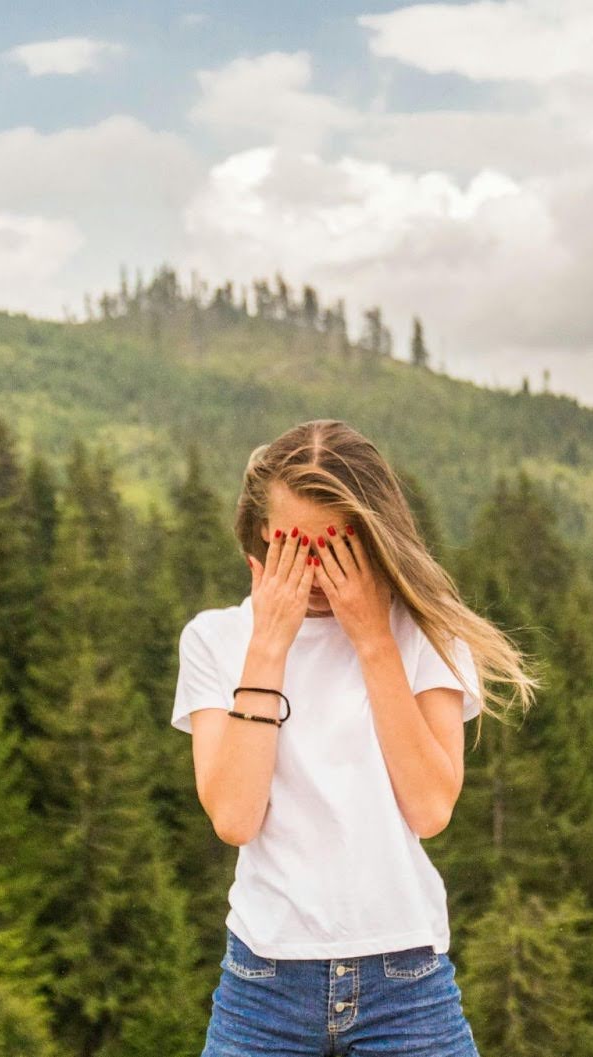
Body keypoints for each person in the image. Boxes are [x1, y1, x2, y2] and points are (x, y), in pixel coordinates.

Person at [171, 419, 536, 1056]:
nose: (313, 572)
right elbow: (233, 817)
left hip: (408, 986)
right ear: (260, 534)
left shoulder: (427, 633)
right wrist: (268, 647)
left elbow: (429, 808)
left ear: (372, 539)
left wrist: (373, 639)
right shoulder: (214, 639)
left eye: (334, 548)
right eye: (293, 547)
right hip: (263, 984)